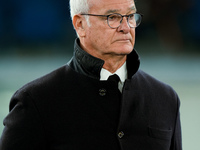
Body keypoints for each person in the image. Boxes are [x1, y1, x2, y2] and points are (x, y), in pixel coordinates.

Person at [0, 0, 182, 149]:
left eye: (130, 16)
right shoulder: (35, 101)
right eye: (112, 17)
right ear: (80, 24)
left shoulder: (166, 98)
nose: (126, 27)